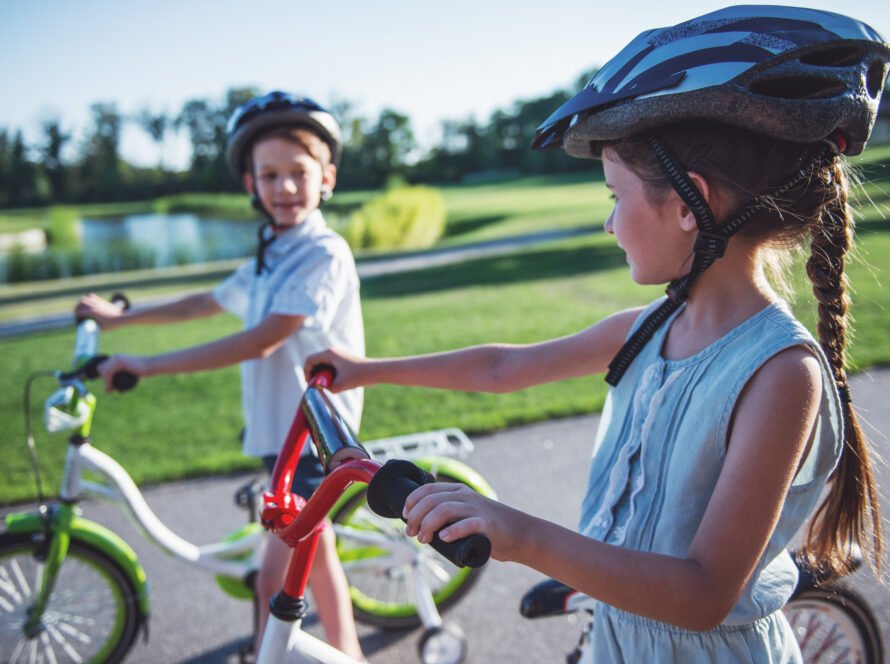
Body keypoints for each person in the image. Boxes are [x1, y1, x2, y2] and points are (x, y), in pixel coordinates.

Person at [306, 7, 888, 662]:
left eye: (615, 194)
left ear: (687, 202)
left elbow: (703, 593)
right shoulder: (654, 327)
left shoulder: (780, 373)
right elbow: (504, 368)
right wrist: (365, 369)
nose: (610, 224)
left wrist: (519, 535)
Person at [75, 91, 365, 659]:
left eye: (297, 173)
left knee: (273, 579)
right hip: (281, 434)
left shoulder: (322, 253)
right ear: (250, 185)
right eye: (269, 174)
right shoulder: (273, 251)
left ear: (326, 176)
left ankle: (285, 653)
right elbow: (204, 302)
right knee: (314, 550)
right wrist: (121, 319)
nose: (284, 188)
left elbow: (263, 340)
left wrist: (146, 365)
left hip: (313, 439)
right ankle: (345, 650)